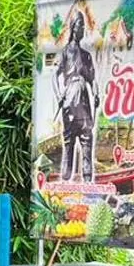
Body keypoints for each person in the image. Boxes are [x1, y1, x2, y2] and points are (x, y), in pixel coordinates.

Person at [55, 11, 98, 182]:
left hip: (84, 100)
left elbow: (92, 79)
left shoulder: (86, 55)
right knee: (69, 140)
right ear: (74, 28)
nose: (82, 30)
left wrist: (96, 93)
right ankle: (66, 177)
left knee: (87, 138)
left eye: (84, 27)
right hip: (70, 98)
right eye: (80, 26)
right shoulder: (65, 52)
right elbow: (55, 75)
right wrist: (59, 94)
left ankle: (88, 179)